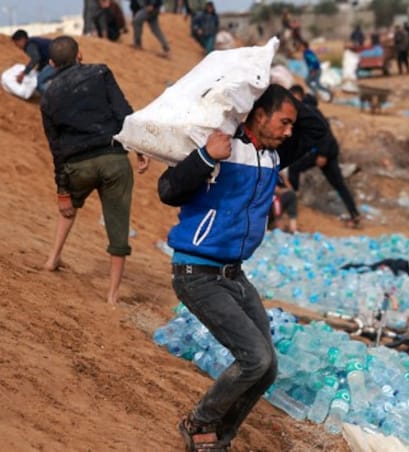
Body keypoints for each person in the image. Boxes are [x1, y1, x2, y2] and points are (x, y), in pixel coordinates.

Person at [158, 85, 300, 450]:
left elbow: (314, 132)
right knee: (255, 358)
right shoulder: (221, 145)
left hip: (234, 274)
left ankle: (219, 438)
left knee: (267, 369)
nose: (289, 132)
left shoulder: (270, 158)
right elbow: (168, 188)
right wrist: (205, 157)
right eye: (284, 122)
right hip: (197, 273)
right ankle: (198, 422)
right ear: (258, 115)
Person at [39, 36, 150, 304]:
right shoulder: (100, 73)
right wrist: (140, 149)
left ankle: (53, 258)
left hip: (76, 165)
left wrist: (62, 190)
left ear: (52, 63)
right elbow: (124, 112)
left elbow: (56, 147)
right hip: (113, 159)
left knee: (69, 209)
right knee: (117, 224)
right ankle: (112, 295)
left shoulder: (48, 97)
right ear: (80, 54)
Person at [286, 85, 361, 228]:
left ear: (300, 97)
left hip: (325, 152)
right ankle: (354, 214)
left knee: (336, 183)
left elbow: (324, 132)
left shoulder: (309, 110)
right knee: (296, 168)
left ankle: (293, 199)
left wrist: (322, 154)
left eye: (295, 98)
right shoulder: (299, 110)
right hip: (319, 151)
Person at [11, 29, 55, 94]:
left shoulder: (29, 45)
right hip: (57, 59)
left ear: (22, 40)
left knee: (38, 83)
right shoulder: (33, 41)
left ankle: (55, 96)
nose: (17, 46)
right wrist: (39, 70)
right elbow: (42, 59)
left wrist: (24, 73)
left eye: (16, 43)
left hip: (57, 61)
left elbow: (36, 58)